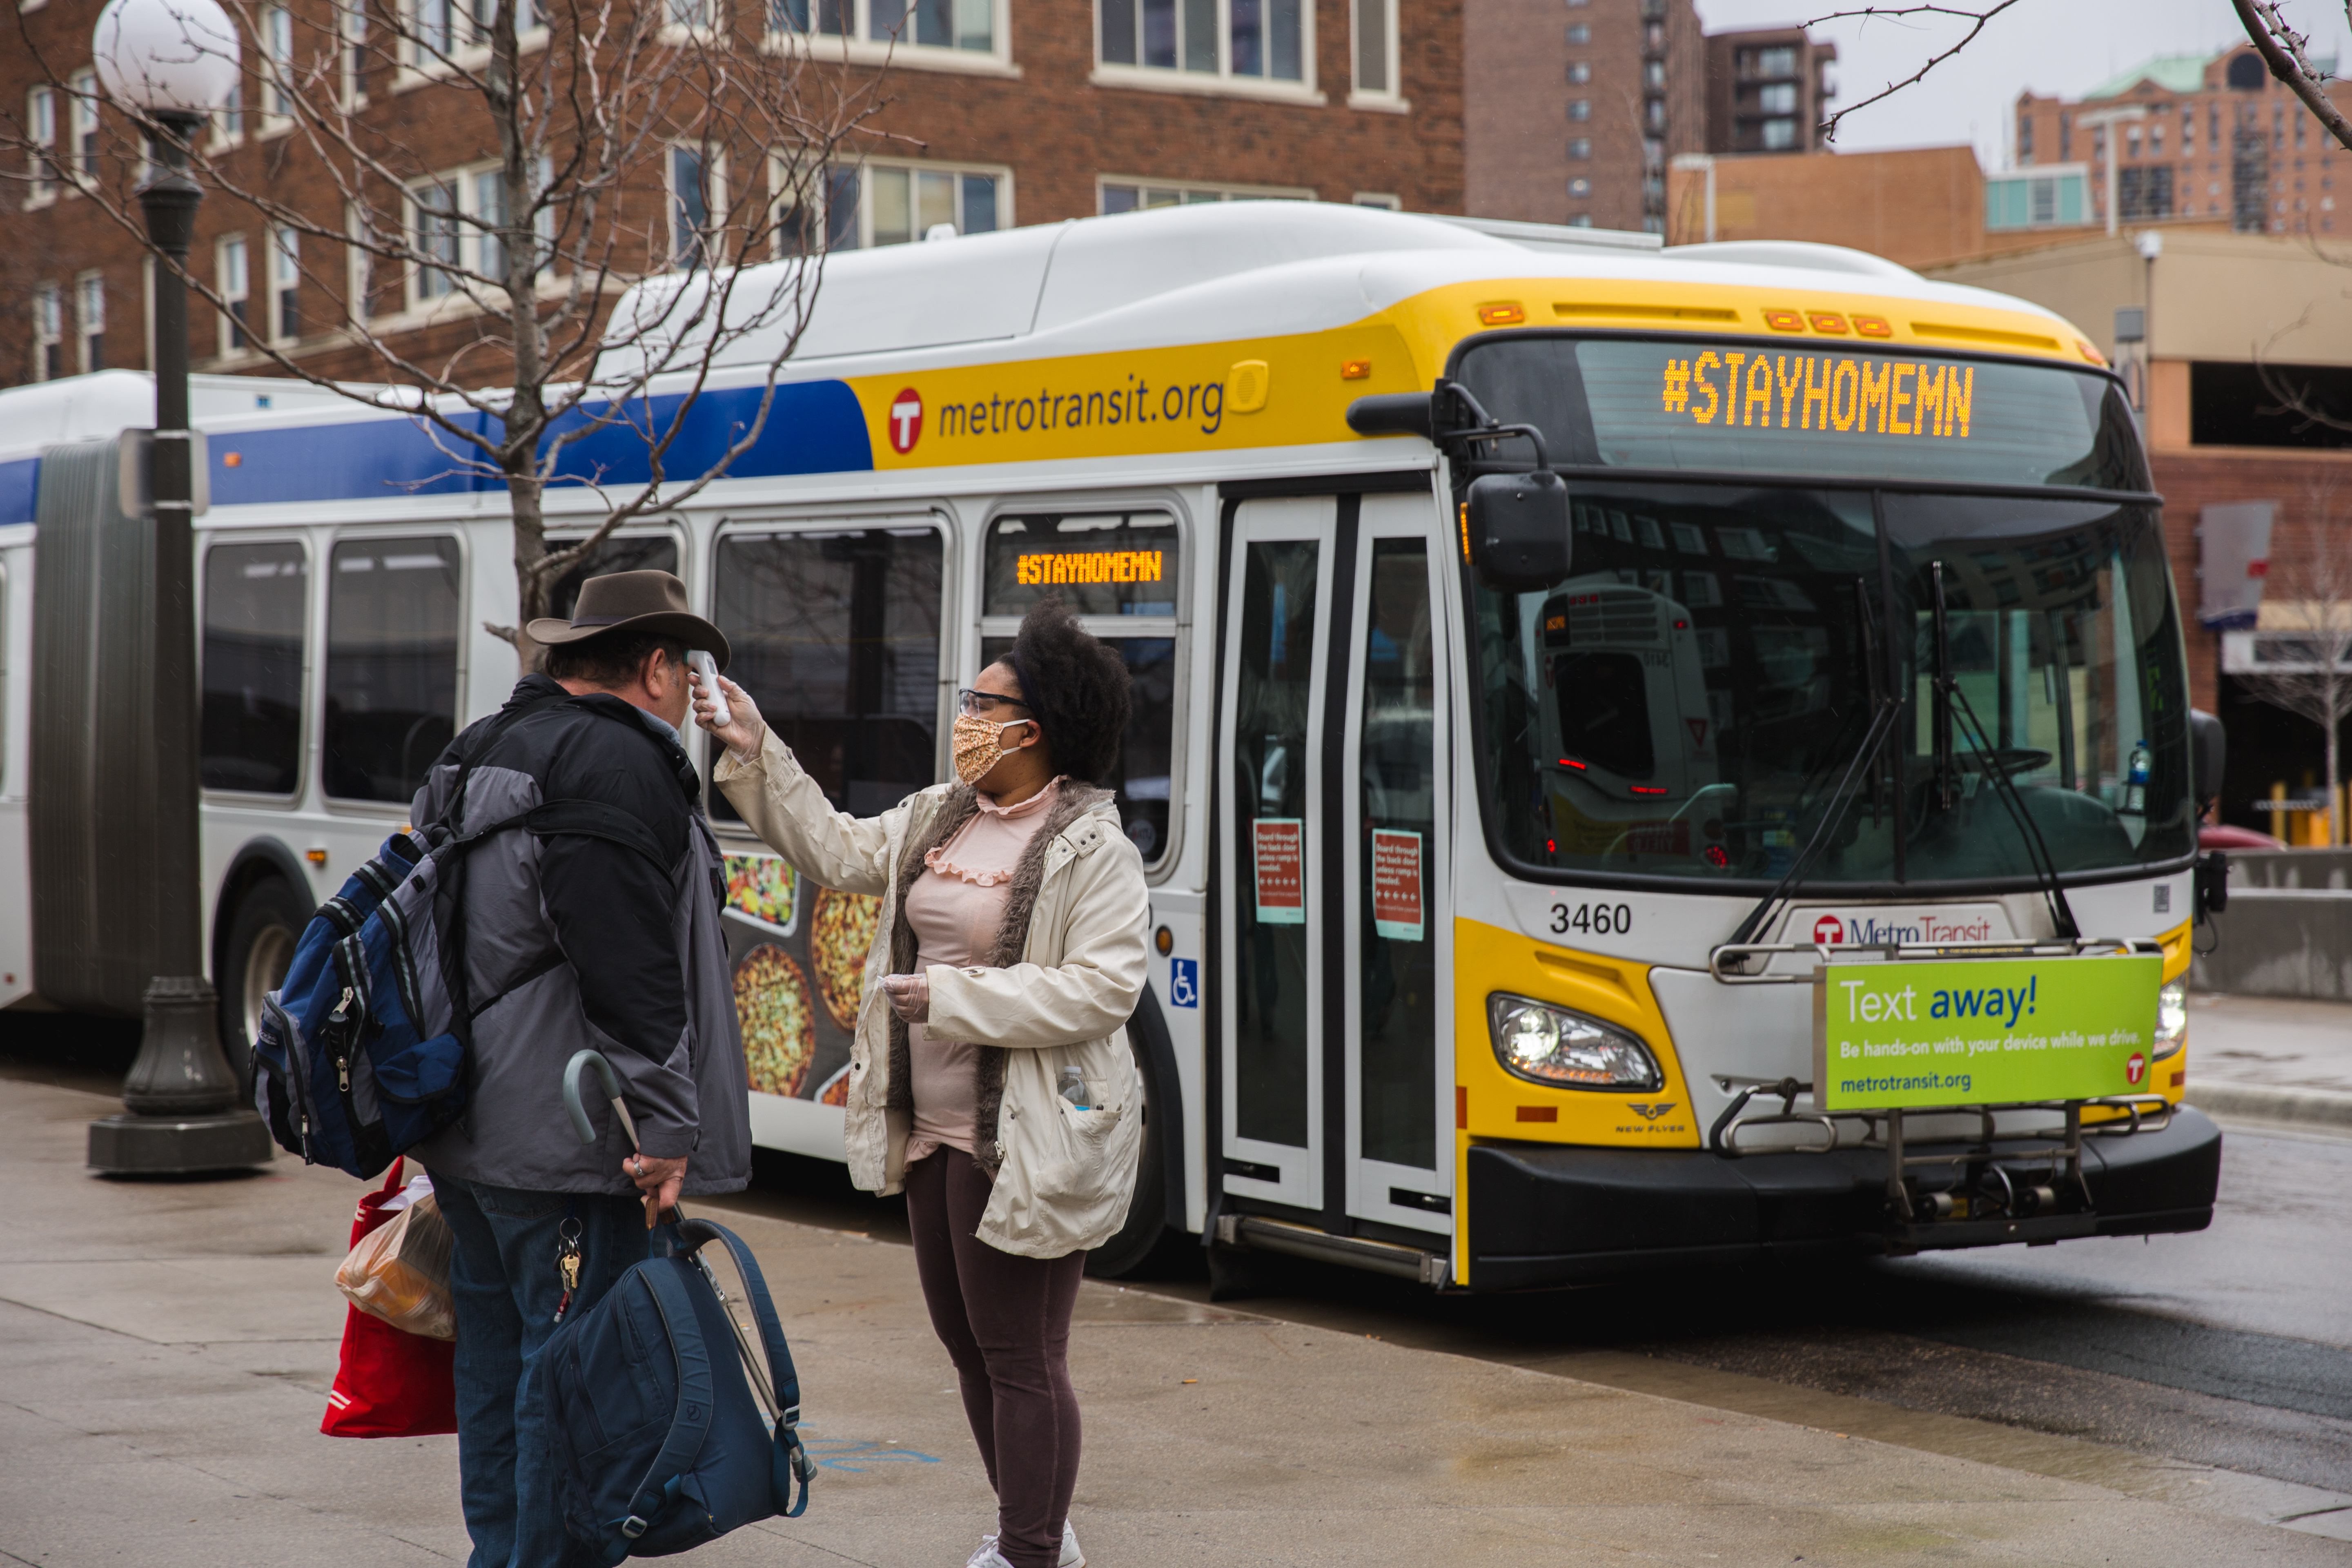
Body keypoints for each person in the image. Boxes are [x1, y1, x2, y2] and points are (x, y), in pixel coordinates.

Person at [694, 598, 1148, 1568]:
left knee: (1023, 1356)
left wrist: (952, 996)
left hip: (1025, 1139)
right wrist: (756, 745)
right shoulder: (940, 818)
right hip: (934, 1130)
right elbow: (834, 847)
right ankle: (1037, 1526)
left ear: (1039, 729)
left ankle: (1027, 1549)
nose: (966, 717)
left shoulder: (1091, 847)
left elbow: (1101, 990)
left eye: (984, 702)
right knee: (971, 1348)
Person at [415, 569, 751, 1568]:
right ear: (653, 666)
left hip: (465, 1131)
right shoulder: (616, 763)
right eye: (683, 670)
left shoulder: (479, 746)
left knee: (499, 1366)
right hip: (568, 1141)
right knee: (571, 1388)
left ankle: (501, 1555)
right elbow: (630, 971)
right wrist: (665, 1134)